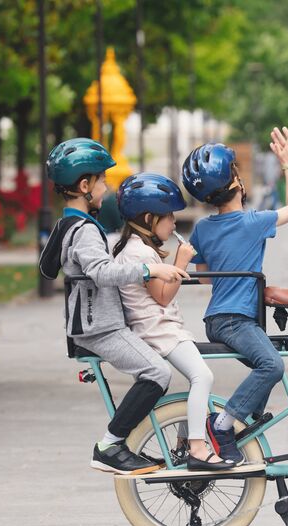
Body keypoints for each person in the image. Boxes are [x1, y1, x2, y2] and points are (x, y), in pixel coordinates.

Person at [41, 138, 189, 476]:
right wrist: (150, 269)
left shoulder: (66, 224)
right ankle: (110, 445)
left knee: (158, 364)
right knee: (157, 373)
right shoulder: (86, 232)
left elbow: (47, 267)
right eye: (102, 181)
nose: (106, 189)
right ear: (84, 185)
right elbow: (102, 273)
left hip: (93, 322)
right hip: (100, 327)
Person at [181, 130, 288, 463]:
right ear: (236, 181)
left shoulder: (203, 228)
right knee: (271, 365)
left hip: (216, 319)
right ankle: (223, 426)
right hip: (238, 321)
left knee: (265, 362)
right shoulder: (254, 222)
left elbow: (205, 274)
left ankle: (245, 421)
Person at [112, 172, 236, 471]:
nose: (173, 224)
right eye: (168, 217)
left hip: (162, 329)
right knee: (202, 377)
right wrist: (179, 264)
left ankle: (185, 442)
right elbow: (163, 297)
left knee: (196, 380)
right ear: (148, 218)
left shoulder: (139, 249)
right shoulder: (139, 252)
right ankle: (196, 447)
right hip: (159, 332)